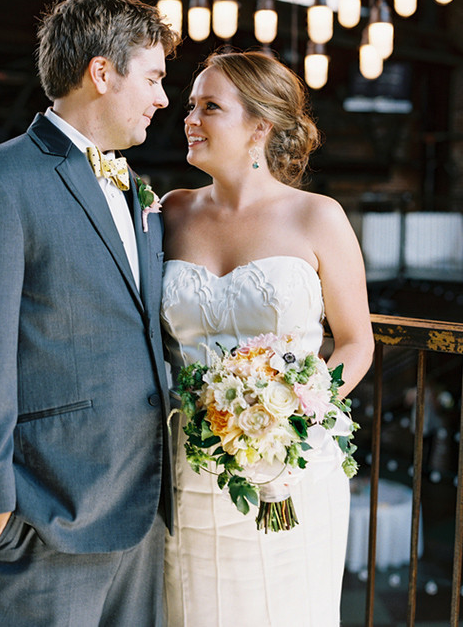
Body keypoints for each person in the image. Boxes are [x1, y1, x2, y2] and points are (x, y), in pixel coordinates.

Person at [0, 0, 180, 626]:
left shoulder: (135, 190)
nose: (163, 98)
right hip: (46, 511)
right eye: (153, 78)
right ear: (102, 73)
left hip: (143, 503)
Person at [160, 49, 375, 626]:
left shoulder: (318, 216)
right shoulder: (171, 213)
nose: (189, 119)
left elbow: (356, 342)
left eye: (210, 107)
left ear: (260, 126)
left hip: (294, 467)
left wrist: (296, 413)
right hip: (194, 467)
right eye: (190, 105)